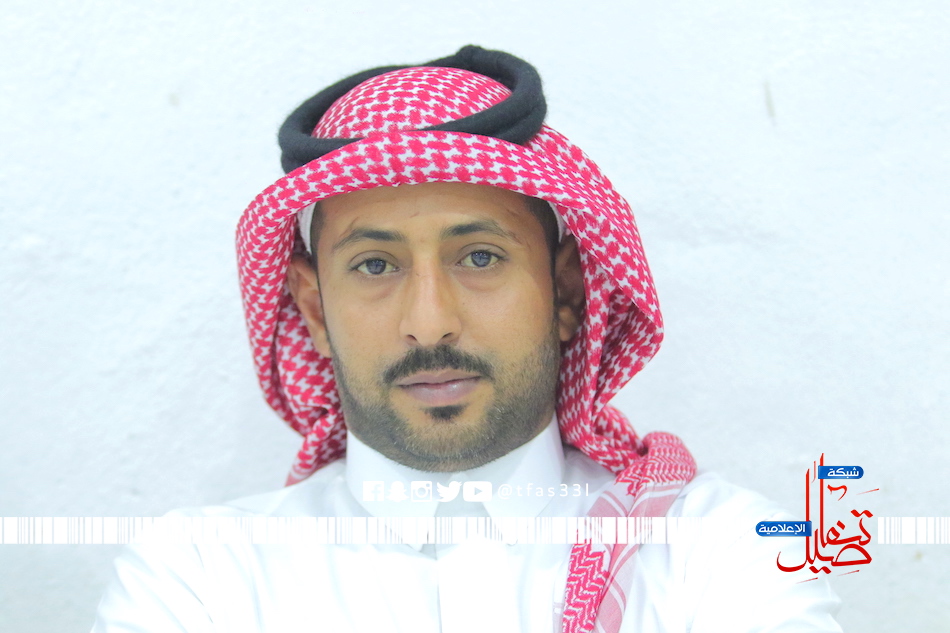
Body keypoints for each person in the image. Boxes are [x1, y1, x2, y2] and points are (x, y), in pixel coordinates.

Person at [91, 46, 843, 632]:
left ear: (567, 291)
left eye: (479, 257)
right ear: (315, 310)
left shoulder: (723, 555)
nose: (430, 321)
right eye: (375, 265)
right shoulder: (201, 578)